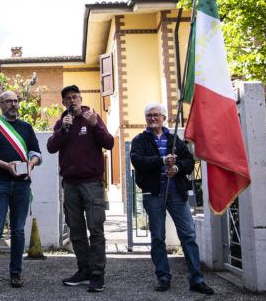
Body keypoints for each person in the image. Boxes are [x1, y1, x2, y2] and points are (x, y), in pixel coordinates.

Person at [129, 102, 214, 295]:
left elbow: (189, 162)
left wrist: (176, 168)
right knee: (158, 237)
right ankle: (163, 277)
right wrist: (161, 161)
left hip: (176, 193)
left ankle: (196, 279)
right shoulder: (140, 140)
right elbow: (138, 161)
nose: (153, 118)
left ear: (164, 118)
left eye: (156, 115)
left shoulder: (174, 139)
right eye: (149, 115)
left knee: (188, 235)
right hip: (154, 195)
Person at [46, 85, 113, 293]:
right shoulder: (62, 122)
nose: (72, 101)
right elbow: (50, 147)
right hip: (70, 183)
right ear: (64, 103)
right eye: (68, 98)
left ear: (81, 99)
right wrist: (63, 130)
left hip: (92, 183)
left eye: (75, 97)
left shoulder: (92, 117)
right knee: (76, 230)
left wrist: (95, 126)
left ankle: (97, 274)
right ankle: (83, 270)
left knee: (96, 228)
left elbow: (109, 143)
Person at [0, 90, 42, 290]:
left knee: (19, 231)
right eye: (9, 101)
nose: (14, 104)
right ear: (1, 105)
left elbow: (36, 153)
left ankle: (16, 274)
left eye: (15, 101)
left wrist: (31, 164)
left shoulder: (26, 127)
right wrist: (6, 166)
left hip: (22, 184)